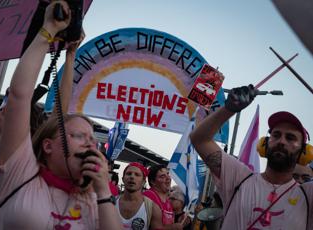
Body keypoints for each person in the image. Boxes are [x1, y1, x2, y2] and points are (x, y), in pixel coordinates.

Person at [0, 1, 121, 229]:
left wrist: (104, 192)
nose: (90, 144)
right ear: (48, 146)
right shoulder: (20, 172)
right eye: (80, 136)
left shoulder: (94, 200)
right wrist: (48, 30)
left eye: (92, 139)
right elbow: (20, 97)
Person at [0, 21, 83, 230]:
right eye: (1, 110)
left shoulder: (27, 167)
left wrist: (70, 55)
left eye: (7, 112)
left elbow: (60, 114)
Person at [190, 84, 313, 229]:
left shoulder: (307, 194)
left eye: (290, 138)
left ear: (304, 152)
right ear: (265, 143)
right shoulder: (239, 178)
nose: (281, 141)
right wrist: (228, 109)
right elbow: (200, 139)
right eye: (276, 135)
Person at [116, 162, 162, 230]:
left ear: (143, 182)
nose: (132, 177)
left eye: (137, 175)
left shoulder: (153, 208)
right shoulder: (111, 202)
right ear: (123, 179)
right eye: (129, 174)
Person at [144, 164, 183, 229]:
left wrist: (179, 219)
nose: (168, 178)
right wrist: (173, 227)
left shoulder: (167, 202)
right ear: (153, 182)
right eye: (162, 176)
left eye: (168, 174)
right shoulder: (149, 196)